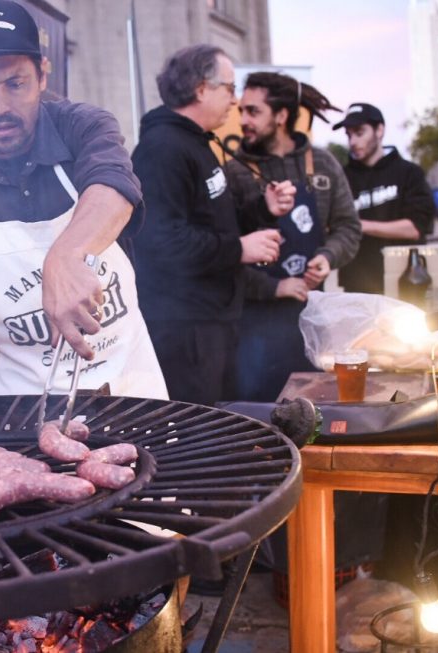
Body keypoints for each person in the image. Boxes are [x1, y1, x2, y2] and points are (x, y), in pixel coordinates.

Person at [0, 0, 167, 399]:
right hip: (18, 405)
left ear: (42, 73)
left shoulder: (82, 127)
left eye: (15, 84)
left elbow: (114, 187)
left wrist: (64, 257)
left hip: (129, 385)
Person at [130, 45, 295, 405]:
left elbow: (211, 220)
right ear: (202, 89)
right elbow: (160, 241)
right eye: (230, 88)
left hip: (211, 321)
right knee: (198, 427)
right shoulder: (162, 150)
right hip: (184, 329)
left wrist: (262, 209)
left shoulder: (195, 143)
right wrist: (240, 249)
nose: (234, 100)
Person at [224, 72, 361, 401]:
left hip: (311, 318)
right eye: (241, 111)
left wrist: (327, 257)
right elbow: (222, 253)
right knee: (258, 412)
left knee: (313, 409)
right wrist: (276, 286)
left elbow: (349, 227)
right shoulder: (235, 173)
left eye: (253, 111)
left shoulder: (323, 164)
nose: (243, 120)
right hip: (254, 324)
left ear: (281, 116)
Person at [334, 103, 435, 295]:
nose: (353, 141)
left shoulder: (409, 173)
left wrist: (359, 225)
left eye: (359, 133)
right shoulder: (342, 178)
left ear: (379, 130)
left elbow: (415, 228)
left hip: (405, 281)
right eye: (349, 135)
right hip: (357, 283)